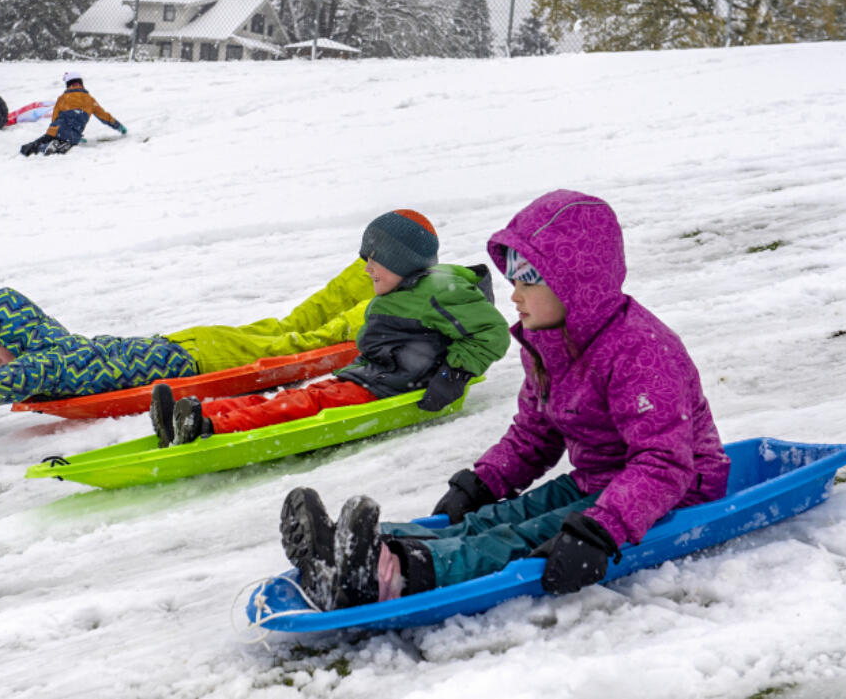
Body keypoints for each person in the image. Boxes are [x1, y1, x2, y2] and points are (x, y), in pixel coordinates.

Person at [279, 190, 732, 611]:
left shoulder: (640, 351)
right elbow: (535, 434)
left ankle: (393, 576)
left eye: (529, 280)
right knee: (487, 520)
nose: (513, 294)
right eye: (512, 277)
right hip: (599, 479)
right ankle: (354, 549)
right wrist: (481, 484)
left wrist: (599, 531)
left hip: (670, 495)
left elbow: (665, 464)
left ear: (575, 283)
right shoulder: (550, 343)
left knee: (517, 538)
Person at [0, 259, 375, 435]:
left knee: (310, 340)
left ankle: (392, 292)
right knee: (292, 327)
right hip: (187, 342)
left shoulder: (42, 364)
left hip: (200, 356)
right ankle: (369, 269)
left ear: (10, 337)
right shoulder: (59, 344)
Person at [149, 210, 511, 448]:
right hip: (368, 376)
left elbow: (493, 332)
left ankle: (208, 429)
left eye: (375, 262)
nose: (367, 270)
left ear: (403, 262)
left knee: (305, 404)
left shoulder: (438, 293)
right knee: (290, 398)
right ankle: (194, 414)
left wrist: (454, 374)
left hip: (393, 386)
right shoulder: (403, 287)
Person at [19, 72, 127, 156]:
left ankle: (38, 147)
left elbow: (55, 117)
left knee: (30, 147)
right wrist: (119, 126)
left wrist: (53, 130)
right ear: (81, 83)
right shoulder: (89, 99)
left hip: (56, 131)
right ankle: (58, 145)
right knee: (66, 142)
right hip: (74, 134)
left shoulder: (63, 98)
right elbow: (104, 116)